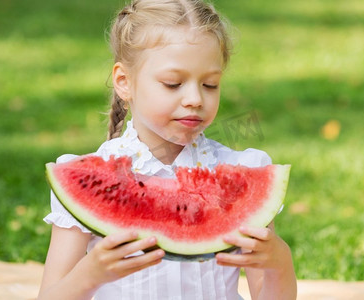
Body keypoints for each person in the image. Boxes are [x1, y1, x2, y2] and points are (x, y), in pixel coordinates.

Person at [38, 0, 297, 299]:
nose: (195, 99)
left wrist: (281, 264)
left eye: (210, 84)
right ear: (124, 82)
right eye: (173, 83)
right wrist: (90, 273)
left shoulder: (245, 168)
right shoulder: (84, 175)